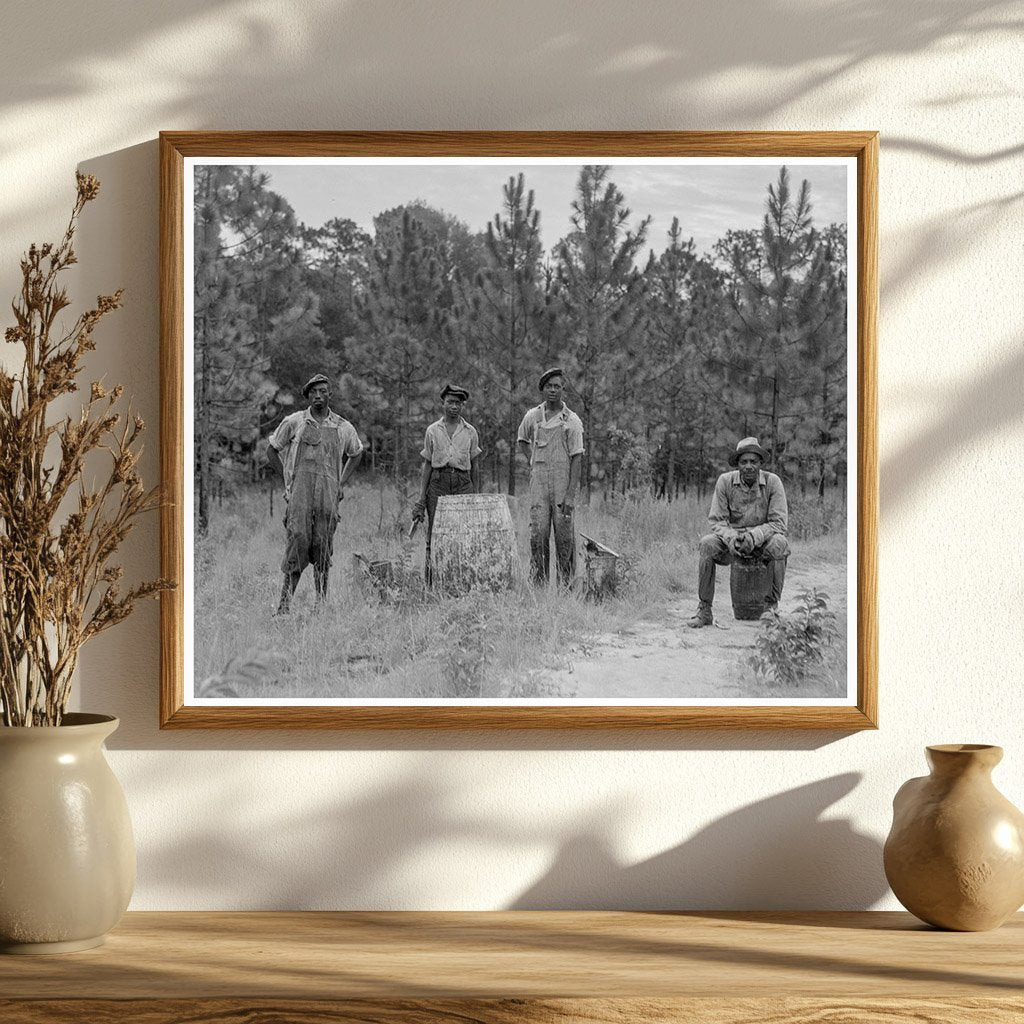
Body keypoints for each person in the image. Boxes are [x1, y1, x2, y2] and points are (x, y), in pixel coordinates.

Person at [267, 373, 363, 614]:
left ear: (330, 394)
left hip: (328, 498)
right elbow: (272, 450)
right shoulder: (295, 422)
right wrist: (287, 480)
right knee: (297, 541)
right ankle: (284, 607)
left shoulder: (342, 426)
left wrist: (341, 482)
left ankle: (321, 605)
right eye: (313, 392)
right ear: (308, 396)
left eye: (322, 391)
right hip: (300, 496)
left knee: (322, 545)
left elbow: (357, 452)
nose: (318, 395)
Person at [688, 436, 790, 628]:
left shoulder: (772, 482)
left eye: (753, 461)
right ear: (737, 464)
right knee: (707, 544)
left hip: (763, 542)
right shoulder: (725, 482)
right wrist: (732, 538)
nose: (749, 466)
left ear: (760, 463)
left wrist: (754, 537)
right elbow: (717, 520)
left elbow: (778, 523)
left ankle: (771, 611)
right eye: (744, 462)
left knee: (780, 544)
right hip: (732, 544)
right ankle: (705, 610)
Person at [516, 367, 584, 585]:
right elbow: (522, 440)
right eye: (548, 386)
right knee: (538, 533)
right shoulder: (533, 416)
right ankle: (538, 586)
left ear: (563, 389)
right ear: (542, 390)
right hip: (539, 484)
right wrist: (532, 460)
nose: (553, 390)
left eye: (557, 386)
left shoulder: (571, 420)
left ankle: (566, 587)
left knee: (564, 537)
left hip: (563, 483)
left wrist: (571, 495)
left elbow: (577, 458)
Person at [412, 384, 482, 583]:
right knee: (435, 534)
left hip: (463, 483)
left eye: (458, 403)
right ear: (442, 403)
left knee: (464, 534)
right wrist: (421, 497)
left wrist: (475, 496)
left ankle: (462, 581)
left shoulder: (470, 432)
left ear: (462, 406)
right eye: (450, 402)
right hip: (438, 483)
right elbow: (427, 465)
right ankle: (432, 583)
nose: (454, 406)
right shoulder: (433, 431)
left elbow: (475, 466)